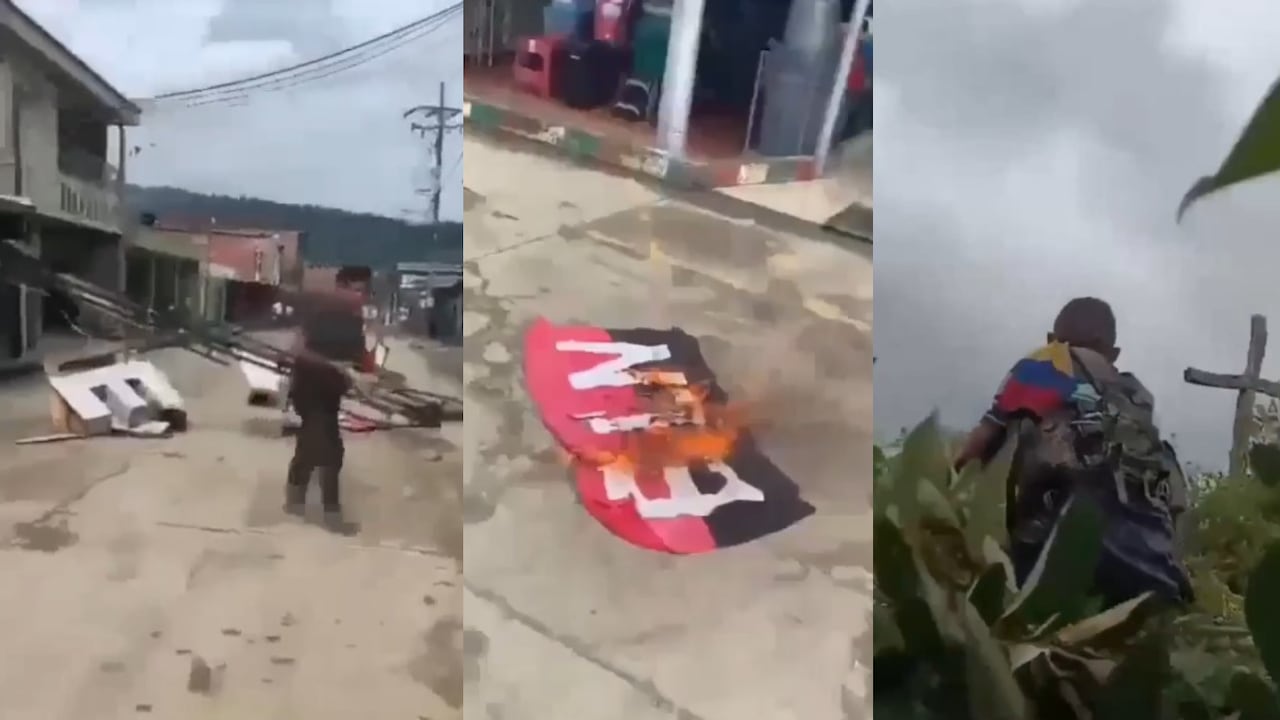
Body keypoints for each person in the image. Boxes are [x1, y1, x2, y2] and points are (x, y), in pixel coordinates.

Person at [953, 297, 1193, 608]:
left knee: (1009, 431)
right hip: (1149, 572)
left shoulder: (1044, 365)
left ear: (1053, 340)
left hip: (1053, 561)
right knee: (1163, 456)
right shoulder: (1137, 396)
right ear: (1113, 353)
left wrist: (947, 486)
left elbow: (977, 446)